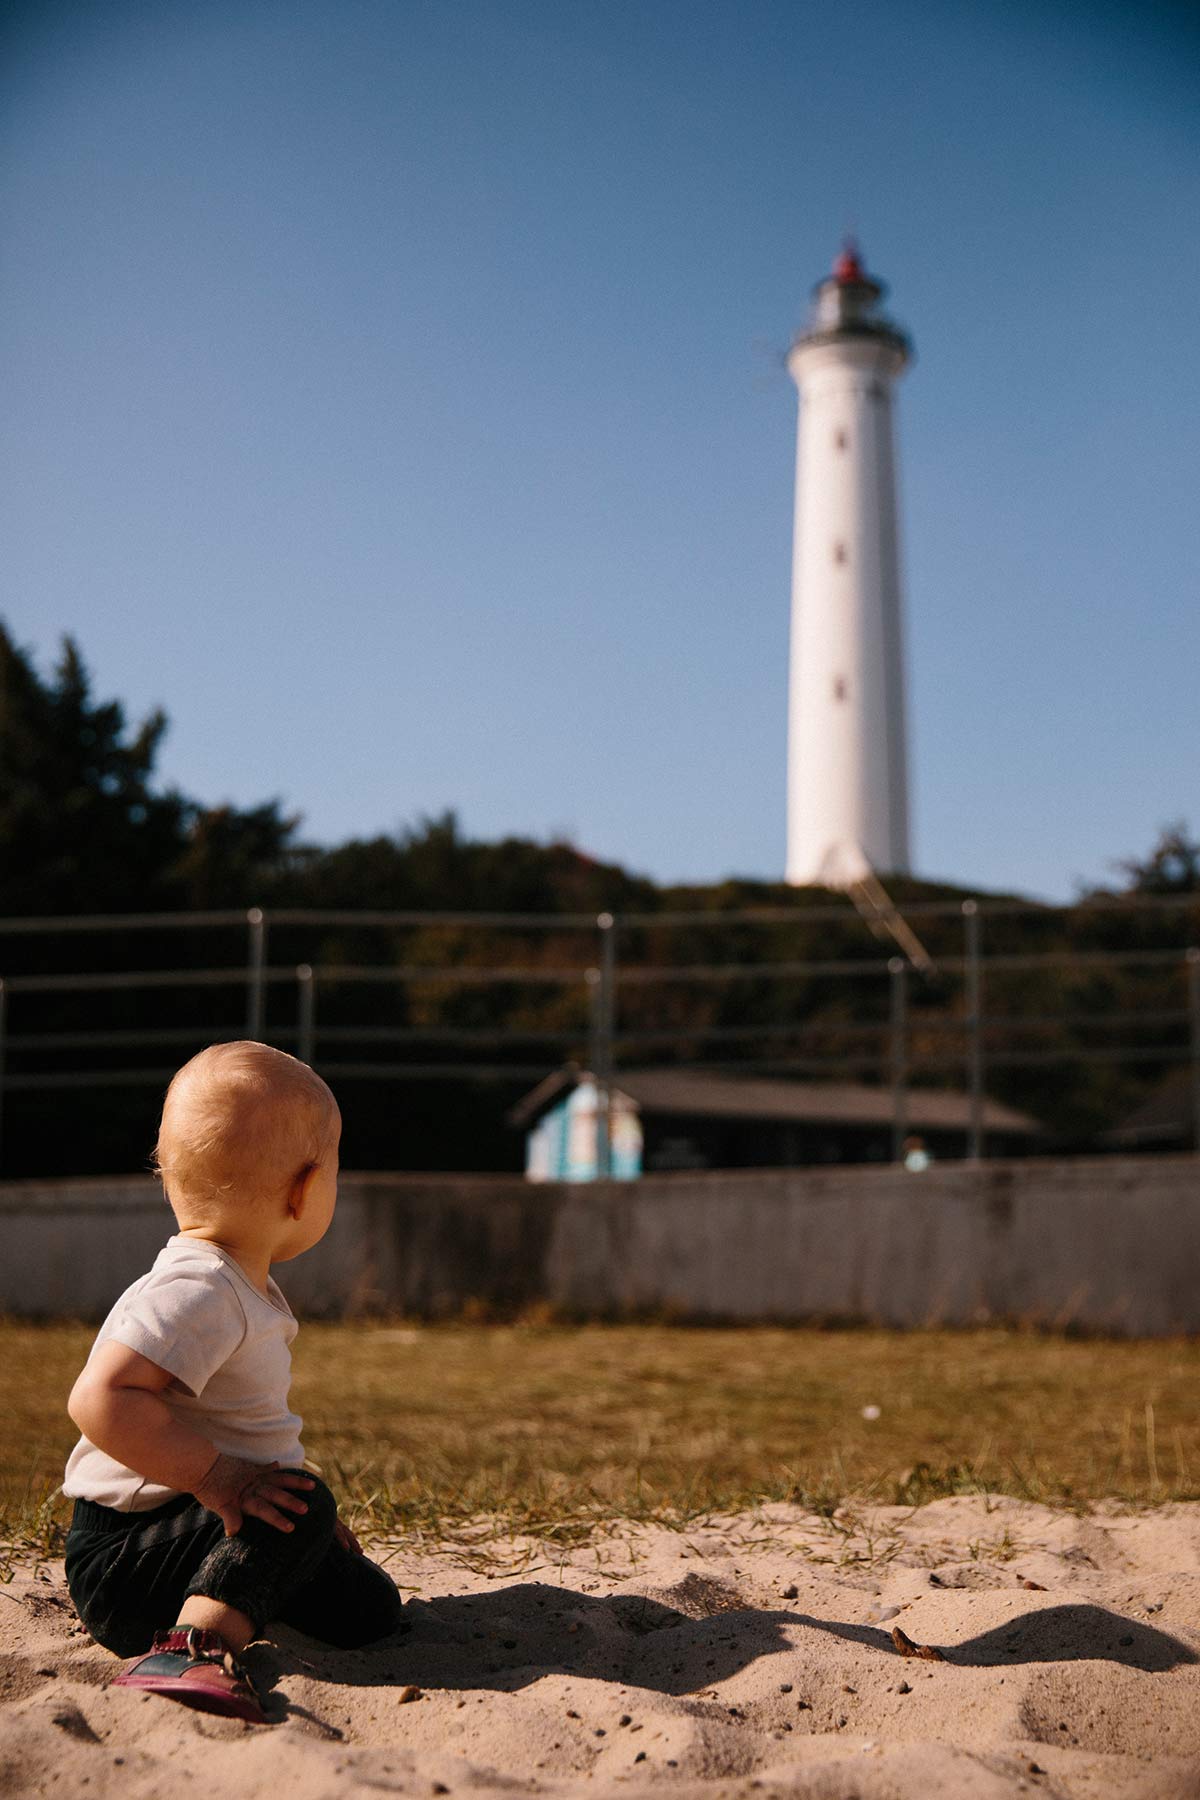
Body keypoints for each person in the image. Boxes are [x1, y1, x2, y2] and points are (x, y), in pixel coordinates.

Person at [62, 1041, 403, 1722]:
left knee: (369, 1608)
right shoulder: (198, 1290)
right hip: (127, 1556)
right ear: (304, 1190)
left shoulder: (240, 1286)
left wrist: (293, 1514)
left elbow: (243, 1429)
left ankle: (255, 1580)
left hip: (187, 1533)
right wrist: (224, 1480)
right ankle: (191, 1645)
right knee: (299, 1506)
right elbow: (99, 1399)